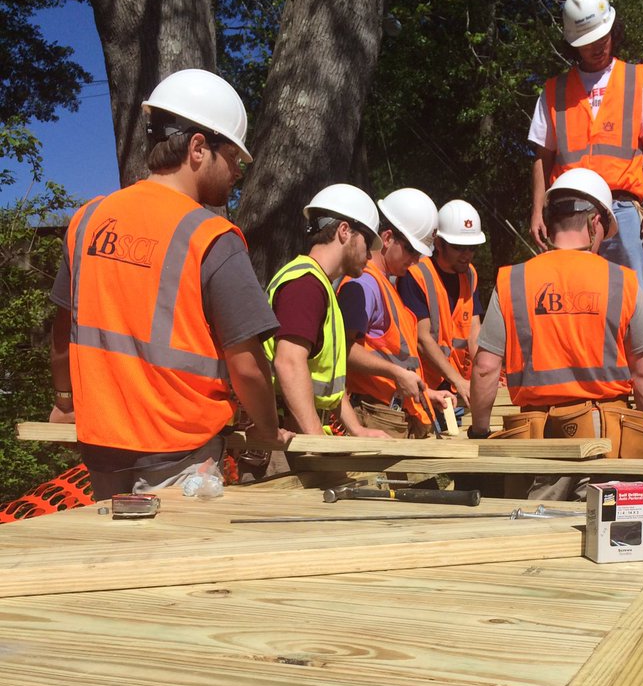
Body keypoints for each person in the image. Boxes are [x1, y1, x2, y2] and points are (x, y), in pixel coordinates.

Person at [49, 68, 292, 500]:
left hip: (101, 452)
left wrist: (65, 401)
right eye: (233, 158)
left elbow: (62, 333)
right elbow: (248, 365)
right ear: (198, 147)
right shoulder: (210, 237)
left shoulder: (87, 221)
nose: (237, 172)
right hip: (180, 460)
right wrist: (268, 428)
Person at [470, 168, 643, 500]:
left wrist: (479, 430)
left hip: (536, 443)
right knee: (606, 537)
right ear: (594, 223)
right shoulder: (622, 281)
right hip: (607, 438)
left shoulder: (512, 282)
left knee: (535, 536)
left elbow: (485, 368)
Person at [528, 0, 643, 300]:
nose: (597, 47)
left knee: (632, 299)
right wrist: (537, 211)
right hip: (568, 210)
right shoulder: (554, 90)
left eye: (602, 38)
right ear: (573, 44)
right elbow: (543, 156)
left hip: (623, 206)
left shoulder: (638, 79)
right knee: (574, 296)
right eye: (588, 42)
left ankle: (633, 352)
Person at [265, 183, 390, 440]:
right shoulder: (305, 285)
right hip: (285, 440)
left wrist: (356, 429)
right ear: (344, 231)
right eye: (367, 243)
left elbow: (324, 384)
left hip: (298, 433)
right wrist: (316, 438)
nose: (370, 255)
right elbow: (288, 363)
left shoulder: (318, 284)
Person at [338, 187, 452, 438]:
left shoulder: (384, 284)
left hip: (389, 413)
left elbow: (395, 357)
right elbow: (341, 350)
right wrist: (396, 374)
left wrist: (424, 392)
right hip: (376, 415)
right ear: (387, 238)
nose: (415, 261)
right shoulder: (364, 283)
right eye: (411, 250)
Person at [397, 199, 486, 410]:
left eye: (472, 247)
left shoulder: (470, 274)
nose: (467, 255)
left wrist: (484, 374)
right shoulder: (416, 274)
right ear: (438, 243)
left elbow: (474, 332)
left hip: (459, 388)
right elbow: (421, 337)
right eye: (459, 247)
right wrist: (457, 380)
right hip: (425, 388)